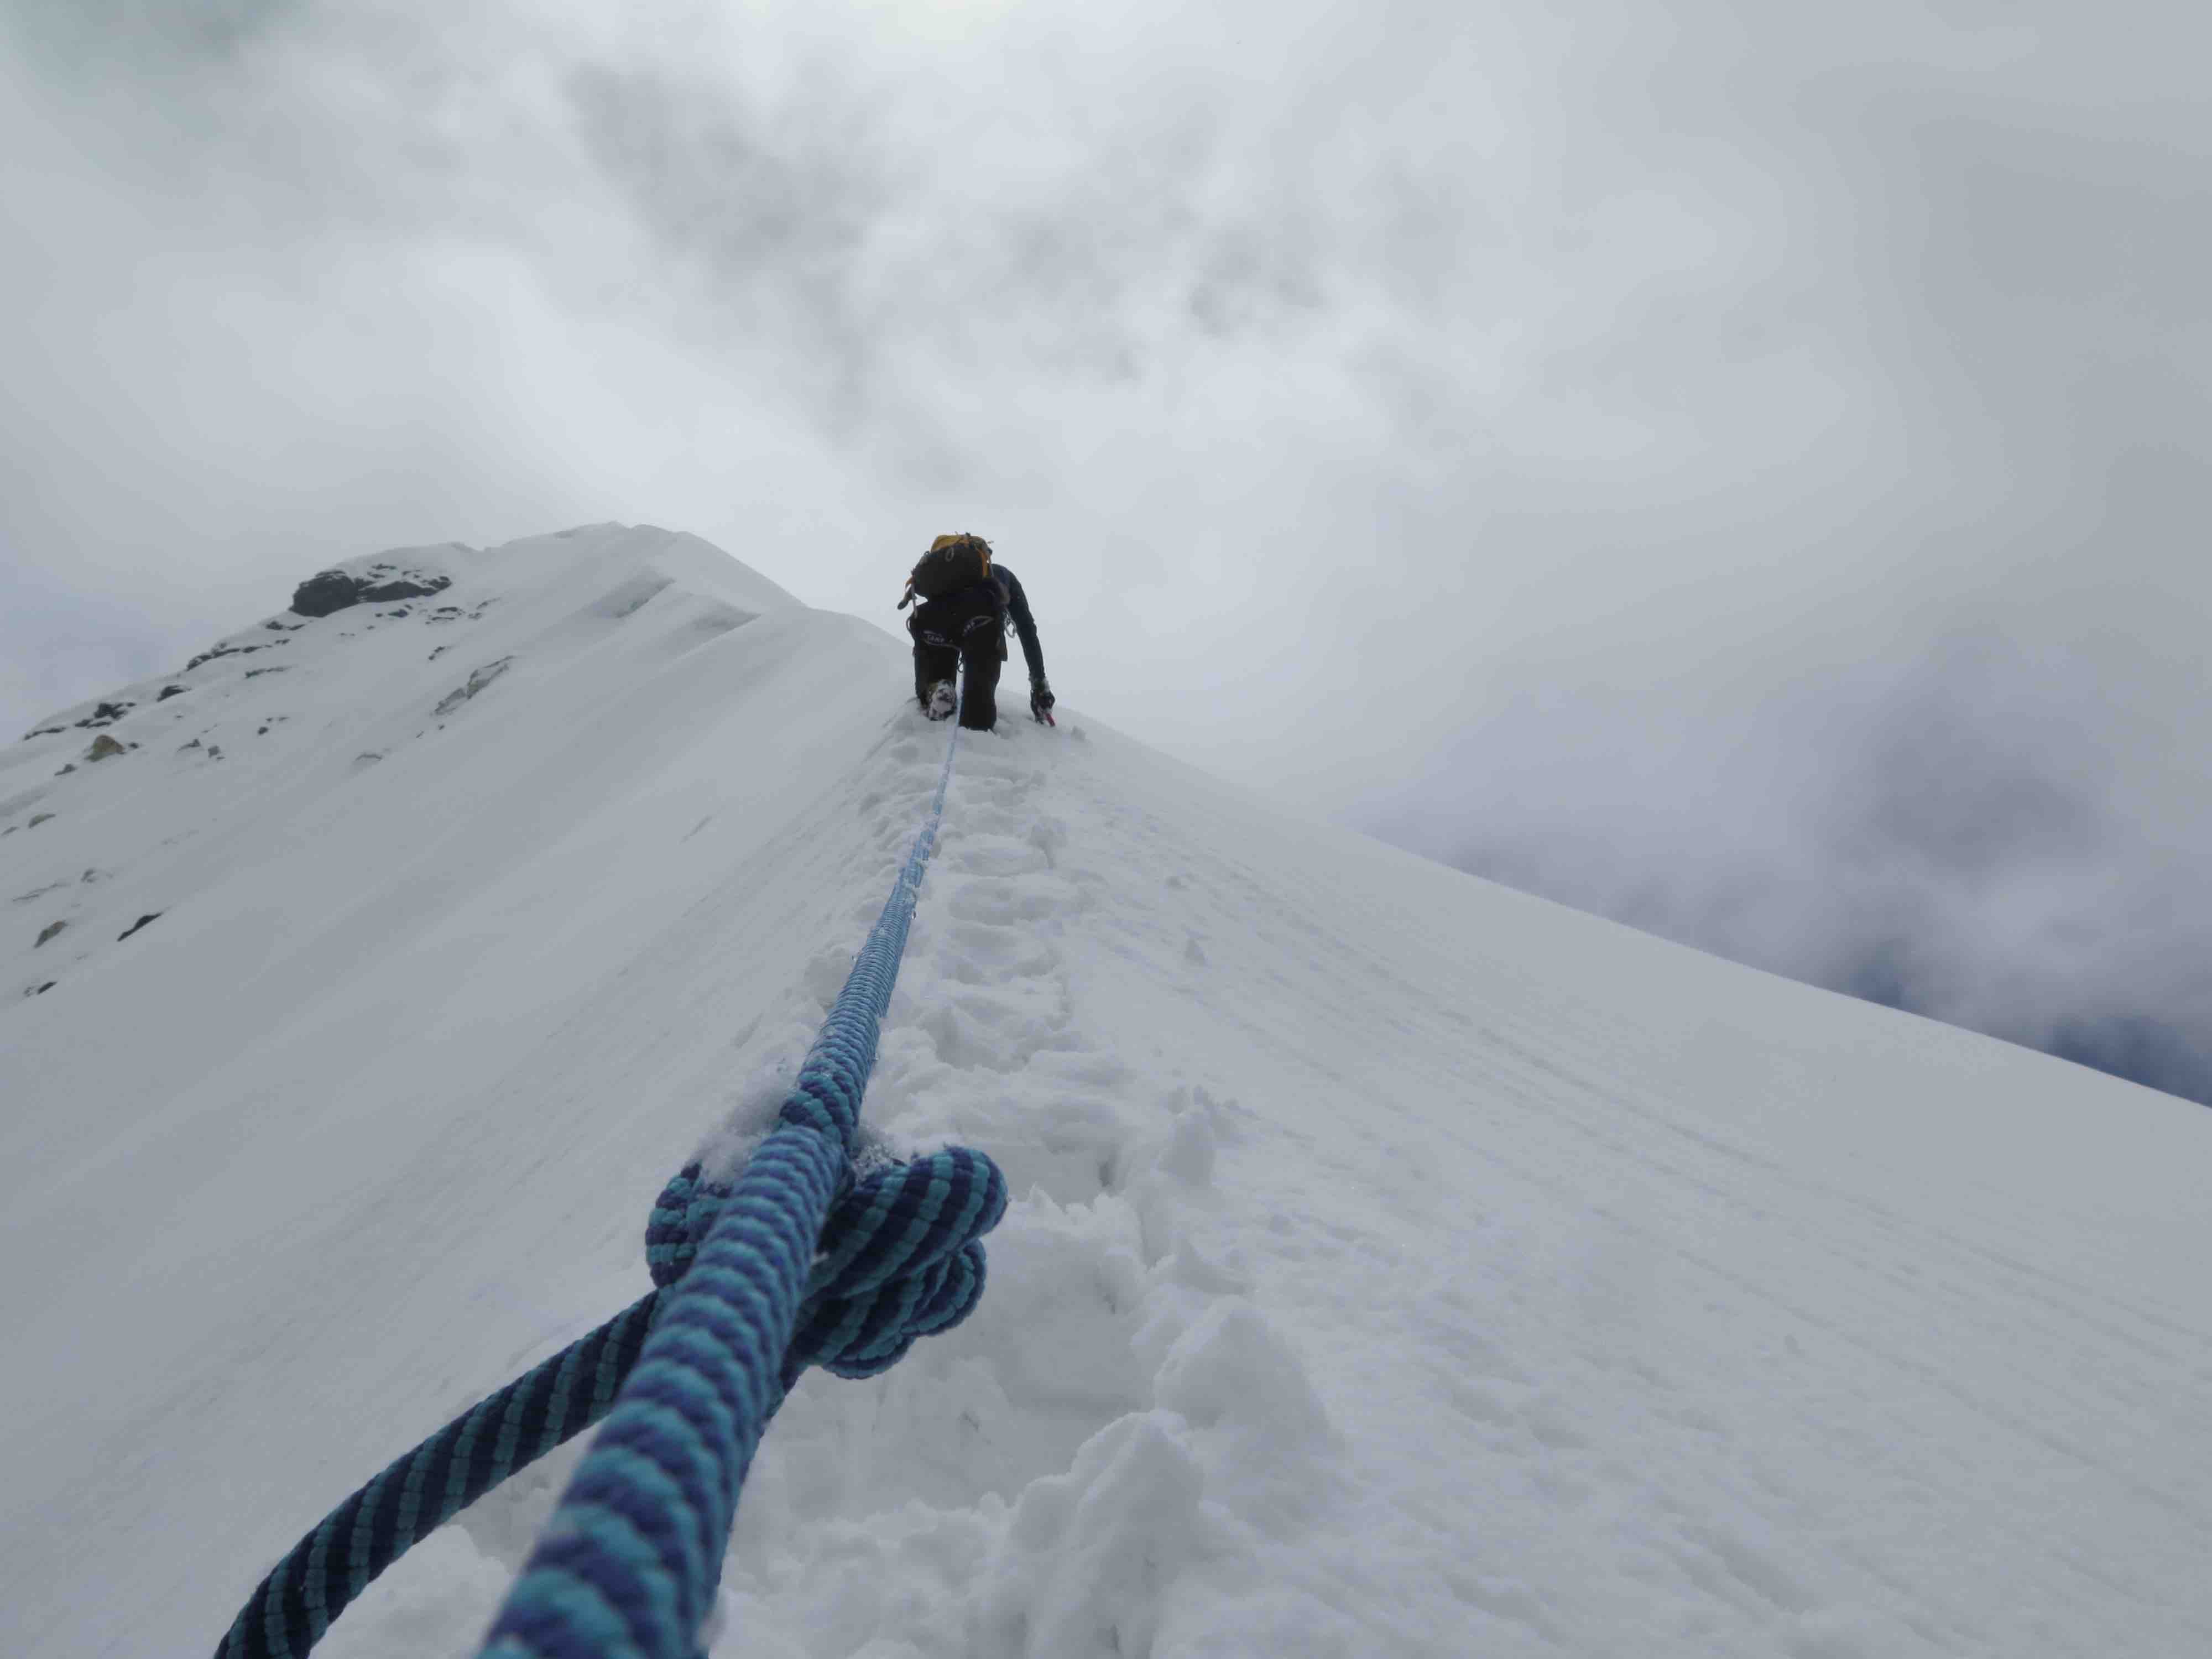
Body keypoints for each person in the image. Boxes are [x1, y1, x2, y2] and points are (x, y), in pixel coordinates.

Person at [901, 534, 1053, 731]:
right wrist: (1040, 686)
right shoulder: (1002, 576)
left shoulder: (945, 580)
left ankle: (938, 689)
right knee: (978, 716)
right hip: (980, 623)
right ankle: (975, 724)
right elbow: (1027, 631)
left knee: (937, 680)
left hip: (934, 621)